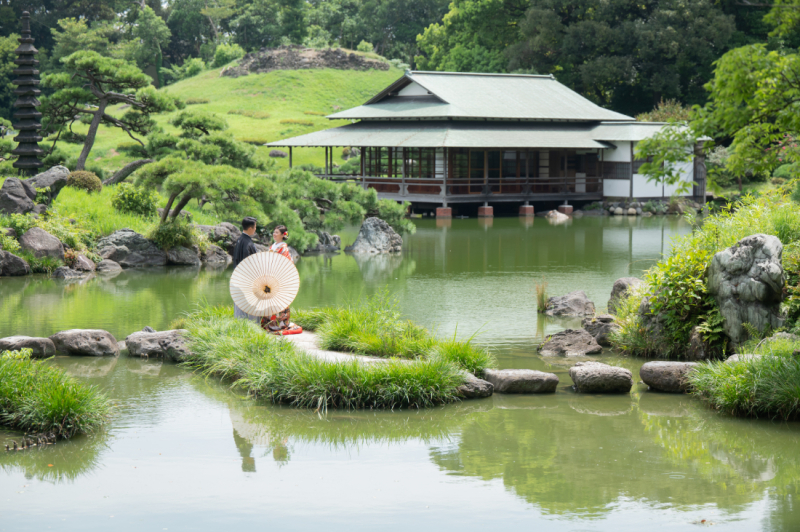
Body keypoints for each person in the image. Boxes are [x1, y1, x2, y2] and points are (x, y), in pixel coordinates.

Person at [260, 225, 301, 334]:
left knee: (279, 301)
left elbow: (284, 264)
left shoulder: (283, 248)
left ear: (283, 235)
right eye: (274, 232)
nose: (274, 234)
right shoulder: (273, 246)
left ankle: (280, 324)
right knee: (270, 300)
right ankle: (269, 322)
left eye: (277, 232)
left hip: (279, 278)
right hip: (270, 277)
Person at [232, 217, 260, 322]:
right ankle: (251, 327)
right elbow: (249, 264)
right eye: (255, 227)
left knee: (240, 306)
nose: (255, 229)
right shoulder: (248, 243)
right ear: (250, 228)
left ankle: (240, 326)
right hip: (246, 280)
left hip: (237, 277)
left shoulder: (240, 240)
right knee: (249, 305)